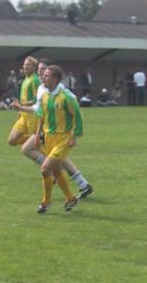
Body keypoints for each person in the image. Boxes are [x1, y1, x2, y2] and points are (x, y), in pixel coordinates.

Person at [11, 58, 92, 200]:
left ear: (51, 73)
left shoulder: (58, 90)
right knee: (59, 158)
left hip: (54, 130)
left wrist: (74, 134)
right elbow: (38, 108)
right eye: (39, 70)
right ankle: (82, 184)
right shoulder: (43, 88)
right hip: (46, 128)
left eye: (43, 70)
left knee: (28, 149)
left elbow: (72, 104)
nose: (40, 72)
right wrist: (22, 109)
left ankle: (55, 174)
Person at [34, 65, 84, 213]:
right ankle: (70, 198)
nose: (43, 77)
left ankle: (46, 202)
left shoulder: (66, 97)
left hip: (63, 139)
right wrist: (37, 136)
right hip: (48, 138)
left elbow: (78, 116)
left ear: (55, 79)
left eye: (47, 75)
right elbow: (41, 116)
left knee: (45, 169)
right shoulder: (44, 96)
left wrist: (74, 136)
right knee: (55, 171)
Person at [7, 56, 41, 146]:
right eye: (24, 65)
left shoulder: (35, 80)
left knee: (34, 144)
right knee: (12, 140)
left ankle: (41, 141)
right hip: (24, 115)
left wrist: (21, 105)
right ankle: (40, 140)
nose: (25, 67)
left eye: (28, 65)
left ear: (34, 67)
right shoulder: (26, 79)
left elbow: (37, 100)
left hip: (32, 116)